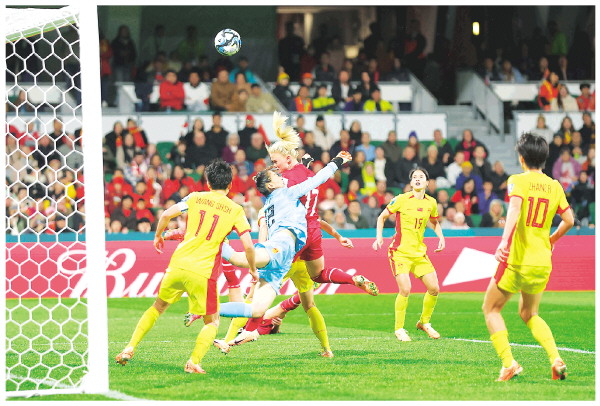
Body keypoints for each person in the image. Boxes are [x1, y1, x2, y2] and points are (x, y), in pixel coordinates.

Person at [115, 160, 257, 374]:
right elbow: (248, 245)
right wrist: (253, 269)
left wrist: (158, 236)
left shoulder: (195, 197)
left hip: (178, 263)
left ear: (208, 183)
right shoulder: (236, 209)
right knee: (212, 321)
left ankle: (129, 347)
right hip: (203, 272)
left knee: (157, 307)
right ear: (230, 185)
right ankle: (193, 362)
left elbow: (165, 214)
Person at [218, 127, 355, 331]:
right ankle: (245, 331)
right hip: (284, 250)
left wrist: (303, 164)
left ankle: (231, 327)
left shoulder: (271, 200)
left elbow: (266, 223)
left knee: (256, 304)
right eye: (273, 167)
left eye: (275, 162)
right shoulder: (288, 190)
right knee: (303, 299)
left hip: (281, 252)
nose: (275, 169)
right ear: (272, 185)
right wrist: (336, 161)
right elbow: (315, 181)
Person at [482, 132, 574, 381]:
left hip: (516, 260)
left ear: (522, 158)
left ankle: (509, 364)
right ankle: (556, 359)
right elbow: (569, 220)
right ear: (544, 159)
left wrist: (503, 241)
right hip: (542, 261)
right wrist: (552, 240)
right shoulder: (555, 186)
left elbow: (514, 208)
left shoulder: (517, 180)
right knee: (529, 313)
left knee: (491, 309)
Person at [372, 167, 445, 341]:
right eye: (414, 177)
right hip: (400, 252)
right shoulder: (401, 199)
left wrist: (441, 237)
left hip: (419, 253)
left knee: (434, 288)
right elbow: (381, 217)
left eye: (421, 177)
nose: (418, 179)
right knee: (405, 289)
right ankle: (399, 328)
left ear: (427, 182)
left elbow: (434, 222)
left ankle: (424, 322)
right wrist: (379, 237)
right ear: (411, 183)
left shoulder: (431, 202)